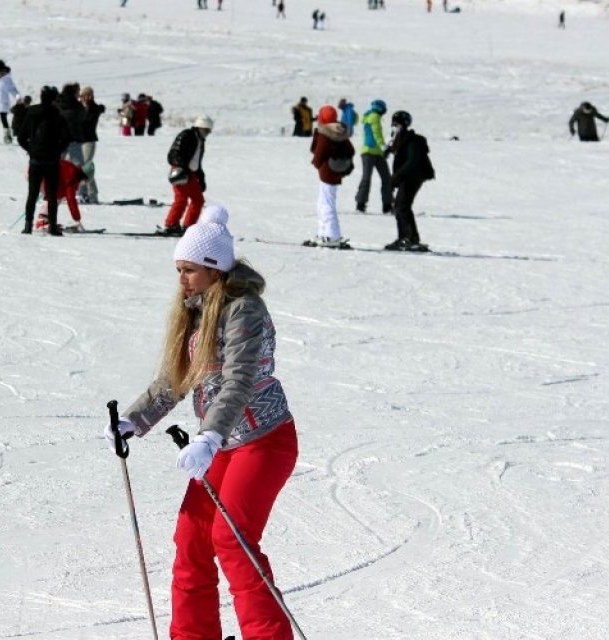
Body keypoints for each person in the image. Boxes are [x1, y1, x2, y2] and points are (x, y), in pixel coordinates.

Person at [108, 203, 299, 640]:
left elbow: (239, 380)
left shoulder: (243, 311)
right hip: (222, 446)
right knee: (192, 539)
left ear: (214, 269)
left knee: (232, 540)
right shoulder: (196, 310)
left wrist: (210, 435)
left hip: (263, 441)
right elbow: (175, 379)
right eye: (179, 269)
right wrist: (133, 422)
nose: (181, 279)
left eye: (189, 270)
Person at [17, 85, 71, 236]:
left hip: (35, 160)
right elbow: (66, 139)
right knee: (52, 195)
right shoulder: (57, 115)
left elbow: (21, 138)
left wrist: (31, 149)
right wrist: (57, 151)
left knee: (32, 194)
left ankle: (28, 226)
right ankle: (52, 226)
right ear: (54, 99)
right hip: (52, 161)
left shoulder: (31, 113)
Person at [307, 105, 356, 249]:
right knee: (325, 202)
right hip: (335, 172)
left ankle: (331, 235)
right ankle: (324, 233)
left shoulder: (324, 133)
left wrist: (317, 163)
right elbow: (351, 150)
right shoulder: (339, 131)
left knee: (326, 204)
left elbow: (317, 154)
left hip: (327, 173)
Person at [385, 110, 434, 251]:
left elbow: (412, 161)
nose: (394, 127)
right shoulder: (400, 139)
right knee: (403, 206)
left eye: (397, 124)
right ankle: (411, 238)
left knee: (401, 206)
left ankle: (406, 239)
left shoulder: (411, 140)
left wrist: (396, 178)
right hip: (409, 176)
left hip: (413, 176)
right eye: (393, 124)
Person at [162, 115, 214, 236]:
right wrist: (182, 167)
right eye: (206, 130)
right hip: (180, 172)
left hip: (191, 174)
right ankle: (171, 225)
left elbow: (196, 161)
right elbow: (173, 153)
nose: (207, 133)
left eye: (209, 131)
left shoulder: (200, 140)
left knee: (198, 200)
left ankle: (189, 227)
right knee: (181, 200)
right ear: (199, 127)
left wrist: (201, 177)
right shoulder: (186, 135)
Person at [354, 99, 391, 213]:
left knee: (384, 178)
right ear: (380, 108)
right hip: (370, 152)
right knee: (373, 178)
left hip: (375, 152)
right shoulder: (374, 116)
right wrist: (383, 146)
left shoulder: (372, 116)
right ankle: (363, 205)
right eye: (384, 108)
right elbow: (376, 133)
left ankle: (386, 205)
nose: (385, 111)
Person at [36, 159, 90, 232]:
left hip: (40, 171)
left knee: (58, 194)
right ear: (84, 176)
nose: (85, 184)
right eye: (86, 181)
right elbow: (71, 199)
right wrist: (77, 219)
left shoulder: (72, 170)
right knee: (54, 196)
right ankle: (41, 222)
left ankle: (46, 220)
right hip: (40, 174)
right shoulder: (73, 176)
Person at [78, 86, 105, 204]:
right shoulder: (79, 107)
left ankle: (92, 194)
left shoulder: (94, 108)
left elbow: (88, 120)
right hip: (78, 140)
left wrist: (89, 105)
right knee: (79, 167)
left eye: (86, 95)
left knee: (86, 167)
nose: (84, 98)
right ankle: (82, 192)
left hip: (89, 140)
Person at [56, 82, 86, 167]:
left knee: (56, 164)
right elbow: (83, 117)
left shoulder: (56, 103)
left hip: (59, 139)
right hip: (74, 138)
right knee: (78, 165)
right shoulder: (77, 104)